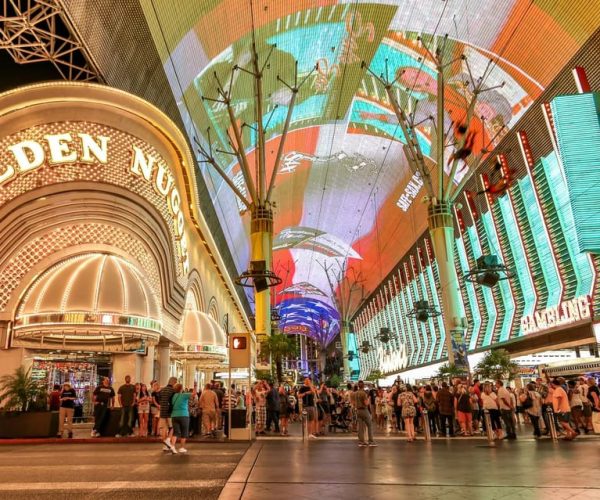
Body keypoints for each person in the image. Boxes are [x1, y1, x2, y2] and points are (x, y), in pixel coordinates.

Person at [170, 383, 196, 453]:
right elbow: (194, 394)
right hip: (184, 415)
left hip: (174, 415)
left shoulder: (174, 396)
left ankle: (172, 445)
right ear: (181, 389)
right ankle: (182, 447)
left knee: (176, 432)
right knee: (184, 432)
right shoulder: (184, 395)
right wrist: (195, 386)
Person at [355, 380, 376, 447]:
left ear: (358, 386)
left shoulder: (356, 393)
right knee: (369, 425)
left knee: (360, 427)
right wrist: (369, 398)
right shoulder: (363, 393)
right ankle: (371, 441)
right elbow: (366, 403)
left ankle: (361, 442)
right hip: (364, 410)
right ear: (363, 386)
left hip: (358, 411)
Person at [159, 377, 177, 451]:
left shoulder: (162, 390)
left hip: (162, 411)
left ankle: (165, 446)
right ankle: (168, 442)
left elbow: (160, 400)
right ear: (174, 382)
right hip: (170, 412)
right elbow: (174, 402)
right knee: (173, 427)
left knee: (164, 429)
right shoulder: (173, 391)